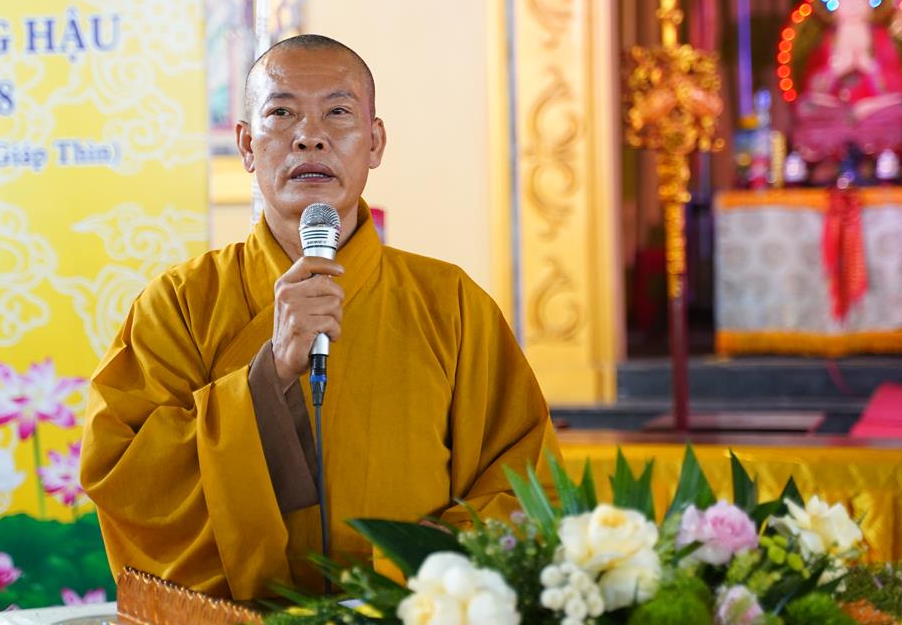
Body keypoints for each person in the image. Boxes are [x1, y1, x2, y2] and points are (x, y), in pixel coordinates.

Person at [79, 34, 559, 600]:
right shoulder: (178, 304)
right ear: (247, 145)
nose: (310, 135)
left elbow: (523, 478)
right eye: (281, 113)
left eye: (338, 112)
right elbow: (128, 477)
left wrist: (423, 566)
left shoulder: (451, 303)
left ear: (374, 142)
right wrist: (269, 377)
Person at [791, 0, 902, 165]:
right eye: (846, 1)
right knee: (805, 107)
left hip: (874, 112)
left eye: (858, 0)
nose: (852, 7)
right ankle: (838, 150)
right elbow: (812, 88)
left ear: (868, 5)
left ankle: (865, 149)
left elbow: (897, 87)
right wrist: (834, 71)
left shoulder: (881, 38)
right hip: (834, 111)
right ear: (837, 6)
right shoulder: (826, 40)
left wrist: (870, 68)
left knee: (901, 108)